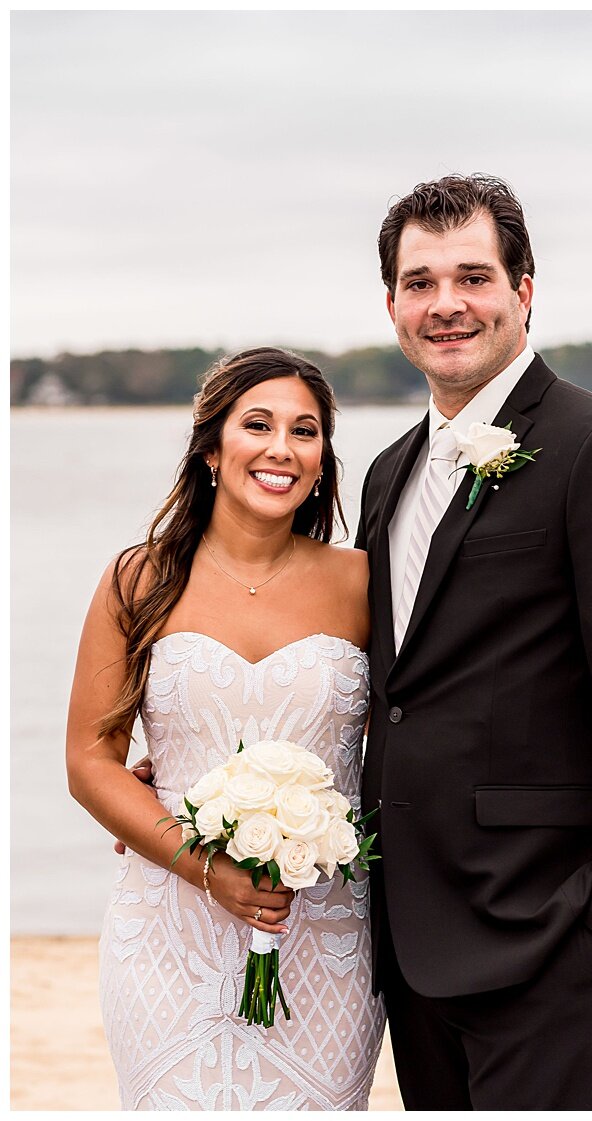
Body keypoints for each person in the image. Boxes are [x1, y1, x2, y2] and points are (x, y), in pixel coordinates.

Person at [355, 173, 592, 1109]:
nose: (446, 304)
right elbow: (386, 688)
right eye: (420, 281)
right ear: (392, 302)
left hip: (549, 939)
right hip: (408, 941)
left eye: (473, 276)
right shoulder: (388, 474)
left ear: (523, 291)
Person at [68, 347, 383, 1109]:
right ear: (211, 447)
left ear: (321, 460)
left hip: (324, 930)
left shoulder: (364, 582)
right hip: (169, 930)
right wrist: (202, 865)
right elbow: (90, 759)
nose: (282, 448)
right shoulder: (136, 578)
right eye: (258, 424)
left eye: (305, 431)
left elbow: (422, 732)